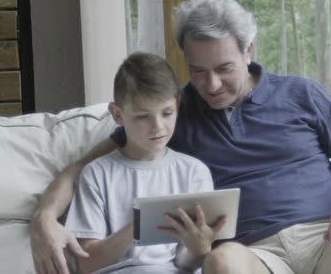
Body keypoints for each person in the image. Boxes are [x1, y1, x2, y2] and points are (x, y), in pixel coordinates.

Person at [31, 0, 331, 274]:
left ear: (248, 51)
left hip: (329, 234)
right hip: (253, 254)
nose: (211, 84)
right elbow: (83, 167)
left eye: (224, 68)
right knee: (222, 264)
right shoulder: (173, 112)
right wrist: (45, 217)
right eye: (198, 70)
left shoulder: (301, 94)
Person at [62, 52, 226, 274]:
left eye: (167, 113)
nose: (158, 126)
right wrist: (139, 227)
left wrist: (199, 250)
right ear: (118, 114)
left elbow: (185, 263)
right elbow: (87, 263)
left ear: (177, 106)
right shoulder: (97, 174)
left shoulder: (193, 172)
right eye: (142, 116)